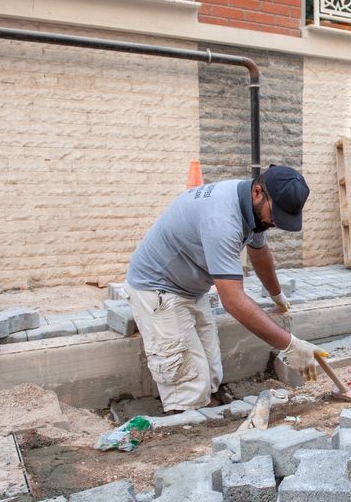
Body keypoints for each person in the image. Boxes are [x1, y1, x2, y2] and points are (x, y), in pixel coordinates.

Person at [124, 165, 326, 412]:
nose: (275, 223)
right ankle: (188, 429)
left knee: (211, 371)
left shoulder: (252, 208)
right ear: (258, 192)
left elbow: (259, 252)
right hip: (158, 290)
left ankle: (207, 408)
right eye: (275, 215)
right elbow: (233, 301)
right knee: (187, 381)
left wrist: (277, 295)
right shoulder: (223, 219)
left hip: (191, 288)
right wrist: (290, 346)